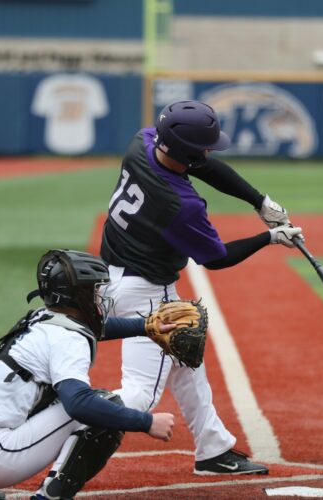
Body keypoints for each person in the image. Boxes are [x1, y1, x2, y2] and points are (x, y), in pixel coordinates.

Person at [99, 100, 302, 475]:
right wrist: (270, 237)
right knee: (140, 395)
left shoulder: (142, 142)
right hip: (147, 292)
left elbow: (202, 164)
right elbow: (216, 258)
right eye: (205, 146)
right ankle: (64, 420)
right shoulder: (181, 205)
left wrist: (259, 201)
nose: (210, 151)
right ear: (187, 152)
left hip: (110, 275)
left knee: (186, 360)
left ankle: (213, 448)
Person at [0, 249, 177, 500]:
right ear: (78, 296)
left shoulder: (43, 318)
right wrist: (146, 423)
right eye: (94, 290)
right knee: (100, 405)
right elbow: (79, 404)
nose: (99, 297)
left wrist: (146, 326)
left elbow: (95, 329)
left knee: (49, 395)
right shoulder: (68, 339)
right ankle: (50, 497)